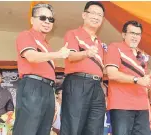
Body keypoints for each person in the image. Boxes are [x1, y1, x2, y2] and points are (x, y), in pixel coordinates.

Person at [13, 3, 70, 135]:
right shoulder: (26, 35)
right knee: (27, 129)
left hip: (48, 89)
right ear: (32, 20)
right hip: (33, 86)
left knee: (44, 130)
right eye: (43, 18)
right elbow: (31, 56)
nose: (47, 22)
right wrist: (58, 54)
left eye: (51, 19)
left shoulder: (46, 45)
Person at [60, 1, 106, 135]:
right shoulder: (73, 34)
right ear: (84, 15)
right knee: (73, 127)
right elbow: (70, 55)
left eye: (100, 15)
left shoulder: (100, 42)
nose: (96, 17)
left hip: (97, 86)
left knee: (95, 128)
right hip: (78, 83)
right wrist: (86, 53)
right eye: (93, 13)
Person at [105, 20, 151, 135]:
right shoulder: (115, 47)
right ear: (124, 34)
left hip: (142, 108)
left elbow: (144, 84)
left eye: (138, 34)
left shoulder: (142, 56)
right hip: (122, 105)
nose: (135, 37)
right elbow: (111, 73)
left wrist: (148, 108)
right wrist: (136, 80)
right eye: (132, 33)